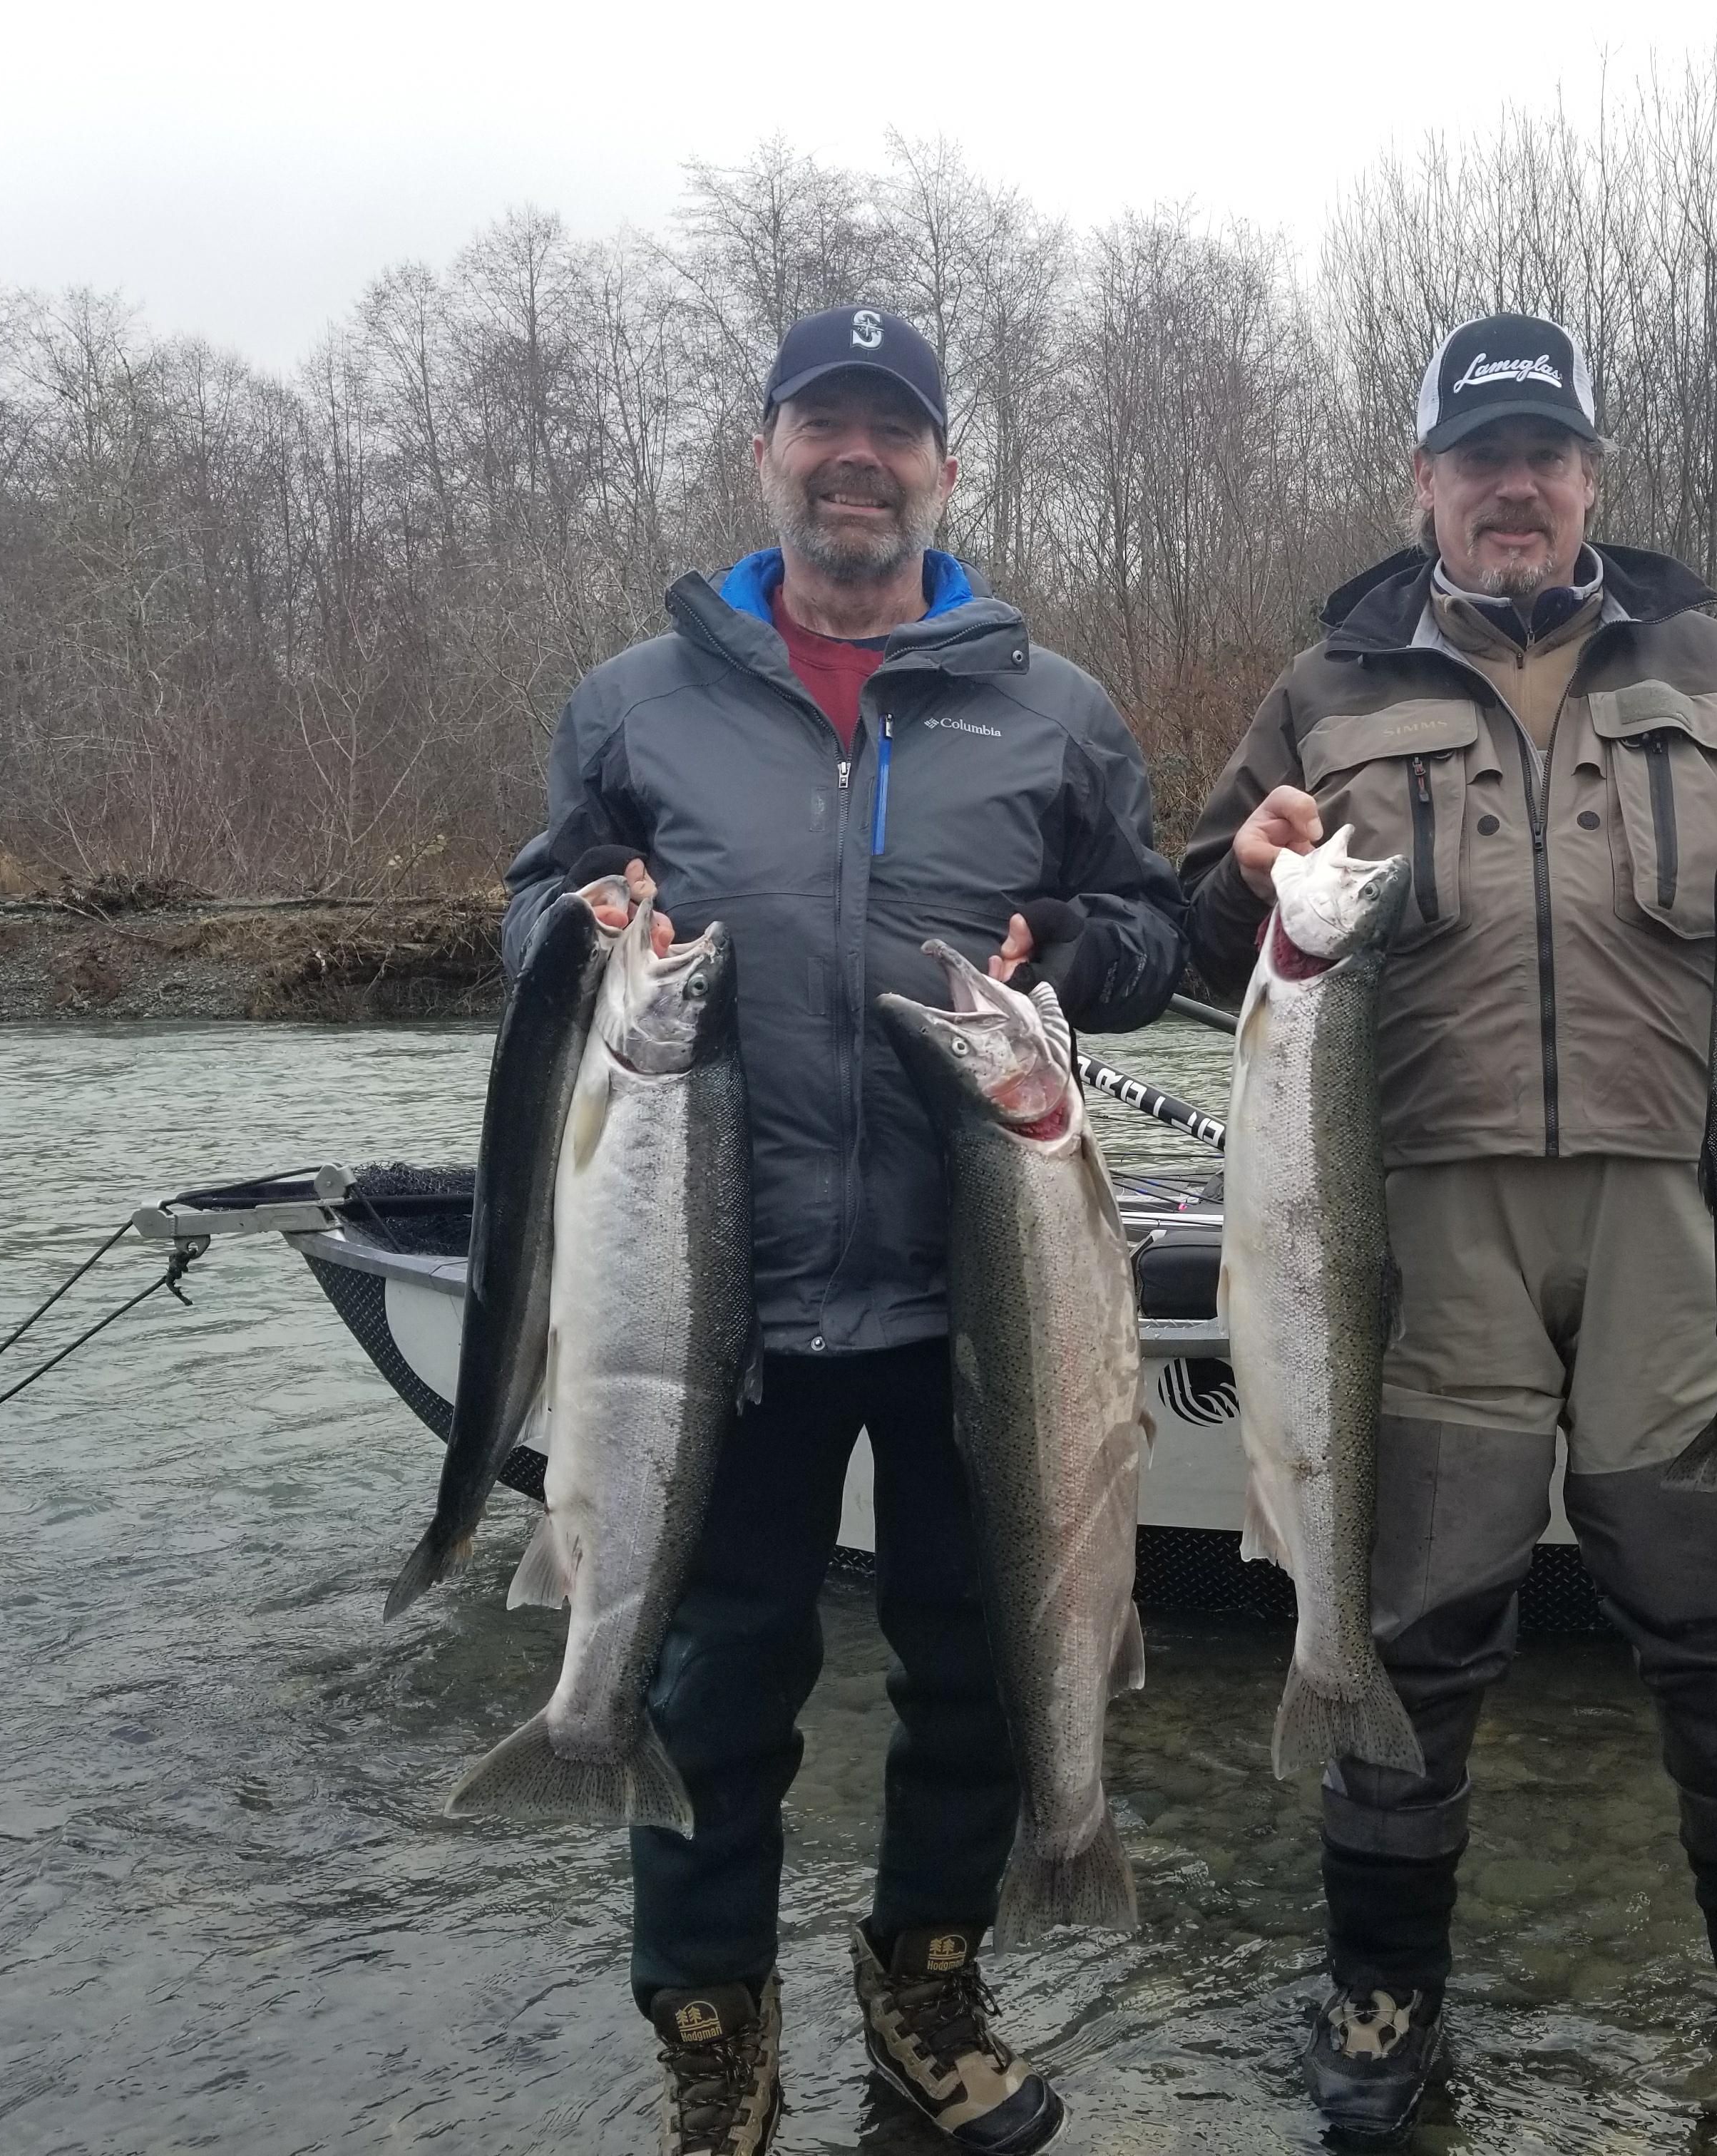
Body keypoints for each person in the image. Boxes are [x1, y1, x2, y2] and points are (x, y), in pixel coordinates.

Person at [1177, 312, 1717, 2142]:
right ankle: (1383, 1991)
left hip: (1696, 1206)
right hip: (1408, 1220)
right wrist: (1249, 871)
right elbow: (1205, 935)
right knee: (1408, 1613)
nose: (1515, 487)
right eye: (1479, 458)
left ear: (1592, 475)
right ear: (1423, 484)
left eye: (1546, 455)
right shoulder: (1327, 688)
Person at [500, 304, 1186, 2156]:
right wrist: (581, 929)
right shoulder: (636, 702)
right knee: (719, 1678)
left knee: (981, 1675)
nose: (856, 456)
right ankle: (715, 2035)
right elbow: (533, 920)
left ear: (946, 469)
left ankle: (929, 1982)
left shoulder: (1053, 708)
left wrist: (1080, 952)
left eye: (894, 429)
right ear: (768, 454)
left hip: (994, 1298)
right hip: (719, 1292)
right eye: (825, 424)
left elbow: (1148, 938)